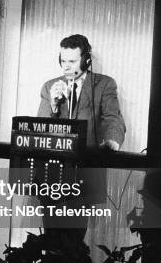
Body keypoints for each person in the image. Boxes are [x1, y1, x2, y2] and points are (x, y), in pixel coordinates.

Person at [37, 34, 126, 239]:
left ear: (86, 60)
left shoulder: (104, 85)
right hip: (52, 177)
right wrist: (53, 105)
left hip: (82, 175)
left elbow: (114, 119)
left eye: (72, 61)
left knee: (74, 241)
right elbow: (40, 130)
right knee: (51, 239)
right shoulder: (49, 87)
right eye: (63, 60)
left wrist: (111, 143)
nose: (66, 67)